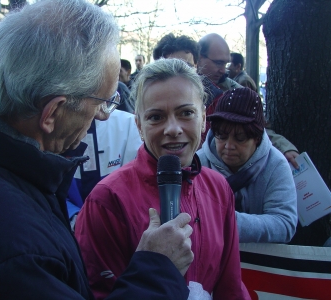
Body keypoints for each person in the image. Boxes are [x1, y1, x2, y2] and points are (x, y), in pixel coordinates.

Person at [0, 1, 194, 299]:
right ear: (53, 113)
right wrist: (158, 270)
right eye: (102, 103)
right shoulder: (13, 252)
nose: (103, 117)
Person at [75, 58, 250, 300]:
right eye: (156, 117)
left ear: (203, 119)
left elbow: (230, 286)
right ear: (138, 125)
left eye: (186, 113)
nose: (173, 129)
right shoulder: (106, 200)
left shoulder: (218, 188)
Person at [197, 87, 297, 243]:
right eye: (221, 136)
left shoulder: (276, 165)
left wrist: (223, 220)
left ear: (256, 138)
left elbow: (284, 225)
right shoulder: (197, 164)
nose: (229, 146)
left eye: (240, 138)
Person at [197, 33, 300, 168]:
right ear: (199, 58)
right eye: (218, 63)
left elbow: (259, 126)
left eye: (226, 64)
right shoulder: (178, 89)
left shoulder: (236, 91)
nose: (223, 70)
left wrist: (285, 147)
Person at [66, 108, 142, 226]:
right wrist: (73, 217)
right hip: (68, 225)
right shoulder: (56, 123)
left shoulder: (128, 123)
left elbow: (138, 186)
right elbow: (46, 188)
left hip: (119, 225)